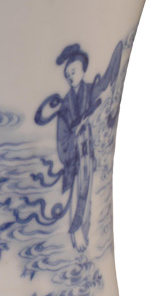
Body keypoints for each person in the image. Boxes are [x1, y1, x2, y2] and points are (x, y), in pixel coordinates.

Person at [35, 42, 122, 251]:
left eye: (73, 72)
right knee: (77, 195)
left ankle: (85, 237)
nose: (70, 77)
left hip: (88, 154)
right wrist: (75, 134)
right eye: (67, 74)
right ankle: (75, 233)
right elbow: (62, 136)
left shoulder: (90, 91)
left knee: (88, 194)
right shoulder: (66, 104)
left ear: (83, 70)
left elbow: (106, 82)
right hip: (75, 156)